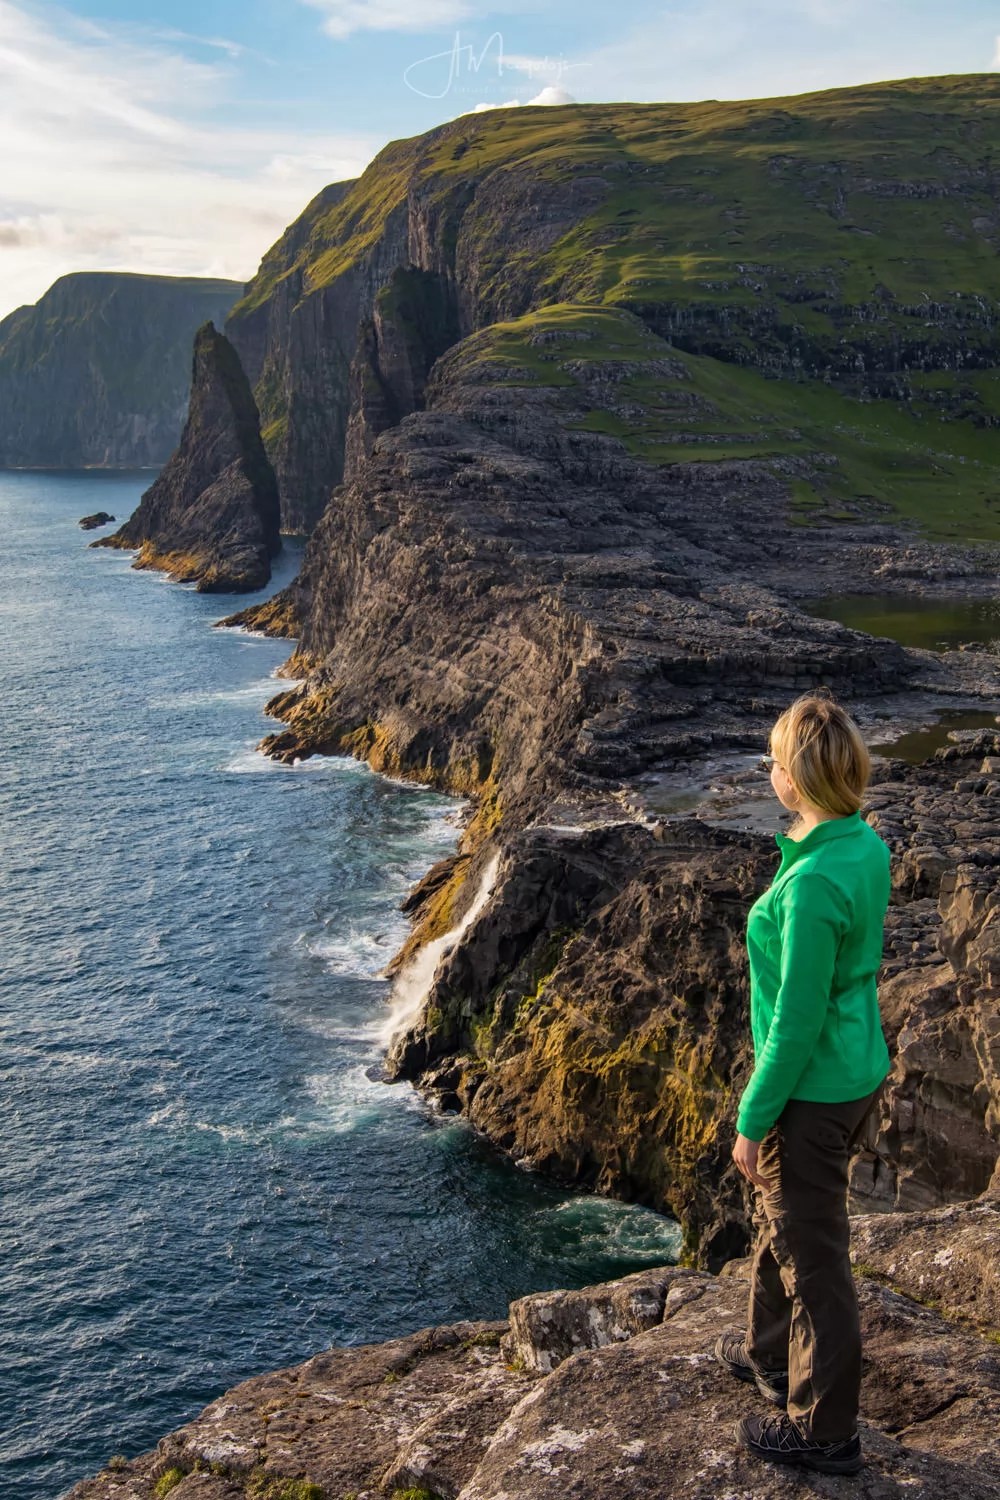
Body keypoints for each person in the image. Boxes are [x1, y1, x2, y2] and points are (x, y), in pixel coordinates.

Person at [714, 688, 892, 1477]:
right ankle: (766, 1355)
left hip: (812, 1090)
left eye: (775, 762)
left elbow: (795, 1021)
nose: (769, 772)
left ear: (799, 778)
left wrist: (754, 1118)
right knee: (784, 1224)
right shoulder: (859, 844)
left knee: (813, 1256)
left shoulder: (813, 884)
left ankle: (826, 1432)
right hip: (855, 1072)